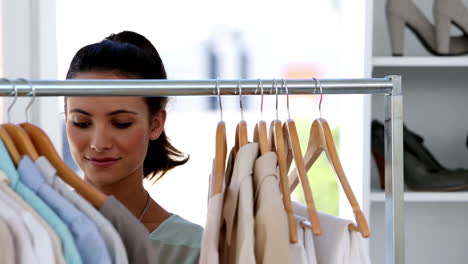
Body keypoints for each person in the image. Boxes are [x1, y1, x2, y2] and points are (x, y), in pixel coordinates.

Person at [64, 30, 203, 263]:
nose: (99, 144)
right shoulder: (25, 230)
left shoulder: (192, 248)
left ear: (156, 124)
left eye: (121, 124)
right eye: (82, 123)